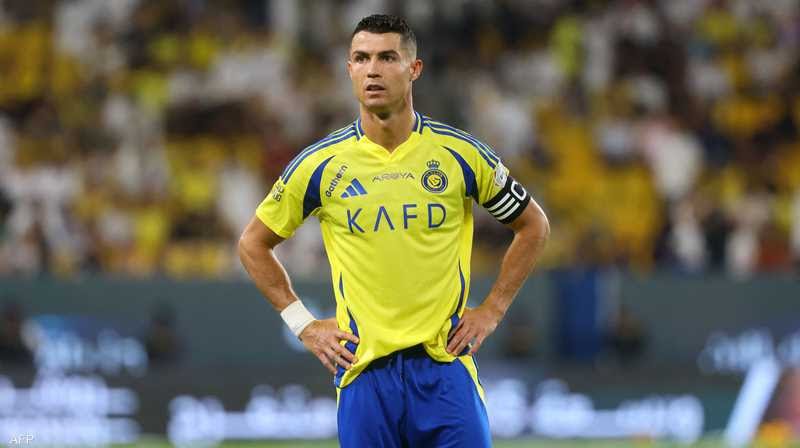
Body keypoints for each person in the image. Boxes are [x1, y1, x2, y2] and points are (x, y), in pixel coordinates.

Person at [238, 14, 549, 447]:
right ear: (349, 69)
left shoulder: (459, 155)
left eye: (387, 58)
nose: (373, 70)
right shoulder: (319, 165)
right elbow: (253, 244)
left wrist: (493, 309)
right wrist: (303, 325)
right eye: (361, 58)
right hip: (365, 374)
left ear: (414, 68)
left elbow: (533, 225)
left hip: (445, 369)